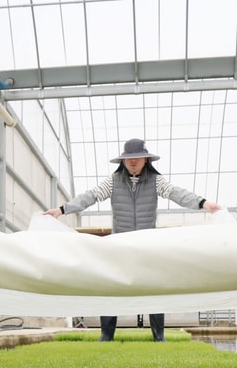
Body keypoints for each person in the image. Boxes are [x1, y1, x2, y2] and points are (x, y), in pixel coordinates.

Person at [44, 138, 222, 341]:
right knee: (111, 288)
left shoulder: (156, 181)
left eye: (138, 158)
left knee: (153, 288)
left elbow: (176, 193)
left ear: (146, 160)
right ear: (123, 161)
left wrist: (203, 203)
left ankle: (159, 337)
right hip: (119, 245)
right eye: (129, 159)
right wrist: (61, 210)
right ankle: (106, 336)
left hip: (148, 245)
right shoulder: (113, 181)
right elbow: (90, 196)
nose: (133, 162)